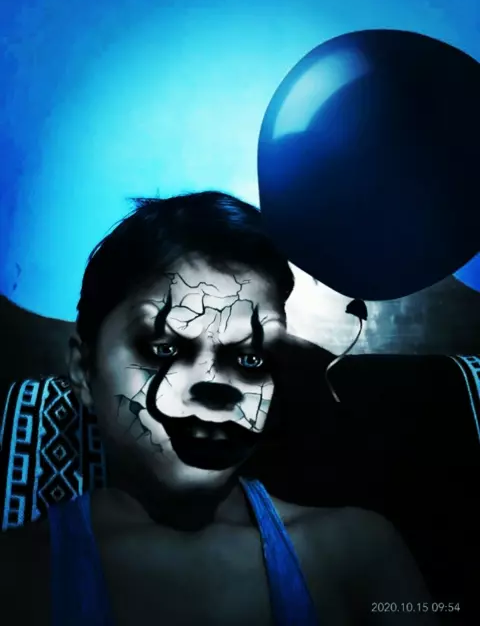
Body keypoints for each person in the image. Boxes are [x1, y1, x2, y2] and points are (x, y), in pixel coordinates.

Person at [0, 191, 439, 626]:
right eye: (164, 348)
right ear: (83, 370)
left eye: (251, 358)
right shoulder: (17, 575)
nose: (214, 386)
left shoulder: (355, 554)